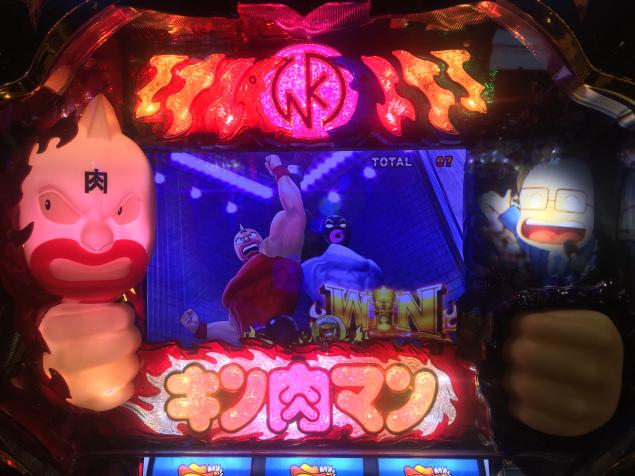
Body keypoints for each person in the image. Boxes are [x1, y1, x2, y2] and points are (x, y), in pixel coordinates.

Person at [182, 154, 306, 346]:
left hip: (283, 342)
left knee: (282, 217)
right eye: (240, 239)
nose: (246, 237)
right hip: (260, 352)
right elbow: (238, 330)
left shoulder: (276, 251)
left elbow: (295, 211)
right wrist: (201, 329)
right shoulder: (238, 294)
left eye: (250, 235)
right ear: (238, 254)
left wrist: (279, 171)